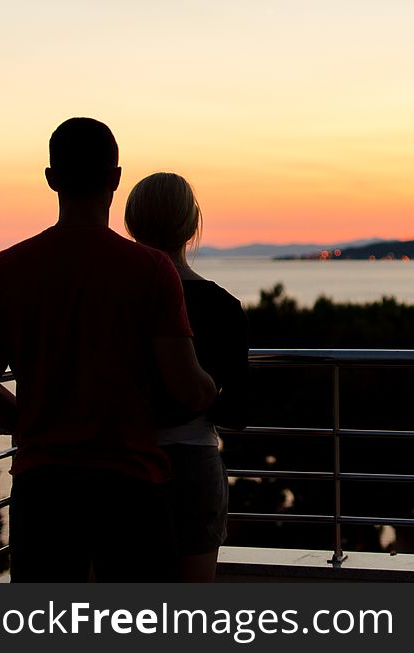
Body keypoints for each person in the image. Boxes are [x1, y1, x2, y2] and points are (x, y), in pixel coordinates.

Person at [0, 118, 218, 582]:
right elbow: (185, 386)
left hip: (43, 487)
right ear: (116, 178)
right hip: (131, 487)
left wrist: (36, 423)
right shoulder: (151, 271)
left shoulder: (4, 270)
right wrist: (211, 388)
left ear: (52, 178)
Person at [125, 172, 248, 582]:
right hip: (193, 465)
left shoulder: (112, 300)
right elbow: (238, 410)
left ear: (132, 224)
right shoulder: (223, 306)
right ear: (192, 226)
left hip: (121, 465)